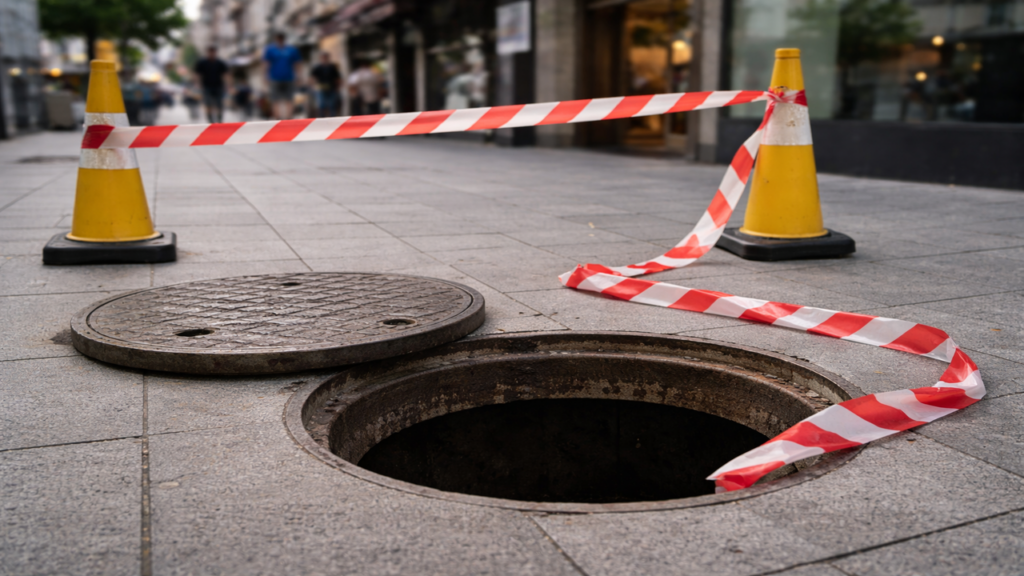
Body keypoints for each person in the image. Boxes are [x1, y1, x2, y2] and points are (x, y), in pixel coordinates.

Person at [263, 33, 301, 119]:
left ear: (284, 39)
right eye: (278, 39)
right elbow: (266, 64)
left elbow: (297, 64)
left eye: (281, 39)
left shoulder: (291, 50)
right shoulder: (270, 50)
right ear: (276, 39)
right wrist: (265, 77)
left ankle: (289, 118)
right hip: (275, 78)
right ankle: (277, 118)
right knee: (275, 100)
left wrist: (298, 76)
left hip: (289, 78)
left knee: (289, 99)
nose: (280, 40)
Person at [193, 46, 229, 123]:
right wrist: (197, 84)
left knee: (219, 104)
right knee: (208, 104)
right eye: (210, 52)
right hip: (207, 86)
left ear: (215, 52)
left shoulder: (220, 62)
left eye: (213, 52)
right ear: (207, 52)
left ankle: (219, 120)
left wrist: (228, 85)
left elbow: (225, 74)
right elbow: (197, 74)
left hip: (218, 86)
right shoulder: (202, 62)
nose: (212, 53)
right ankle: (210, 121)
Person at [310, 52, 341, 117]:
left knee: (332, 105)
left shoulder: (332, 67)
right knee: (322, 105)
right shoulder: (318, 67)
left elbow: (337, 78)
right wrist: (313, 86)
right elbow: (312, 78)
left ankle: (333, 118)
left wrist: (338, 87)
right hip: (321, 88)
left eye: (325, 57)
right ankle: (322, 118)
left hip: (331, 88)